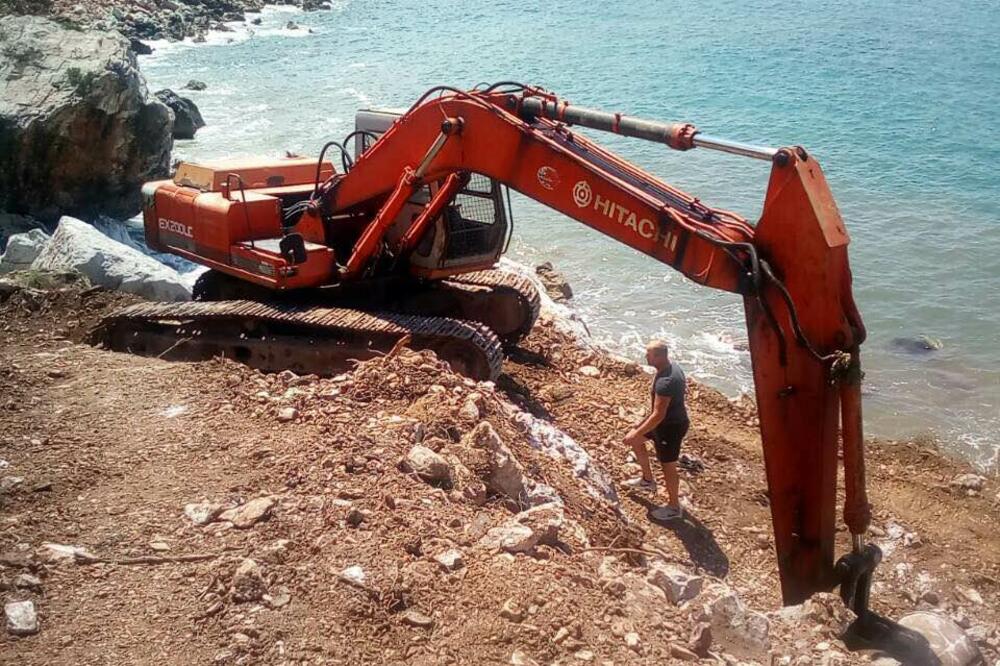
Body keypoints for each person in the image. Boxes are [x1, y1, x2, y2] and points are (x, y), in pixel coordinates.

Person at [623, 340, 689, 520]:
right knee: (634, 440)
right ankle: (647, 481)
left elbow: (659, 415)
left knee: (668, 467)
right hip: (662, 422)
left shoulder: (666, 382)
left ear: (659, 357)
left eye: (649, 354)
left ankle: (674, 507)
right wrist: (637, 430)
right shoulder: (672, 368)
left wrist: (638, 431)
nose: (646, 356)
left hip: (670, 427)